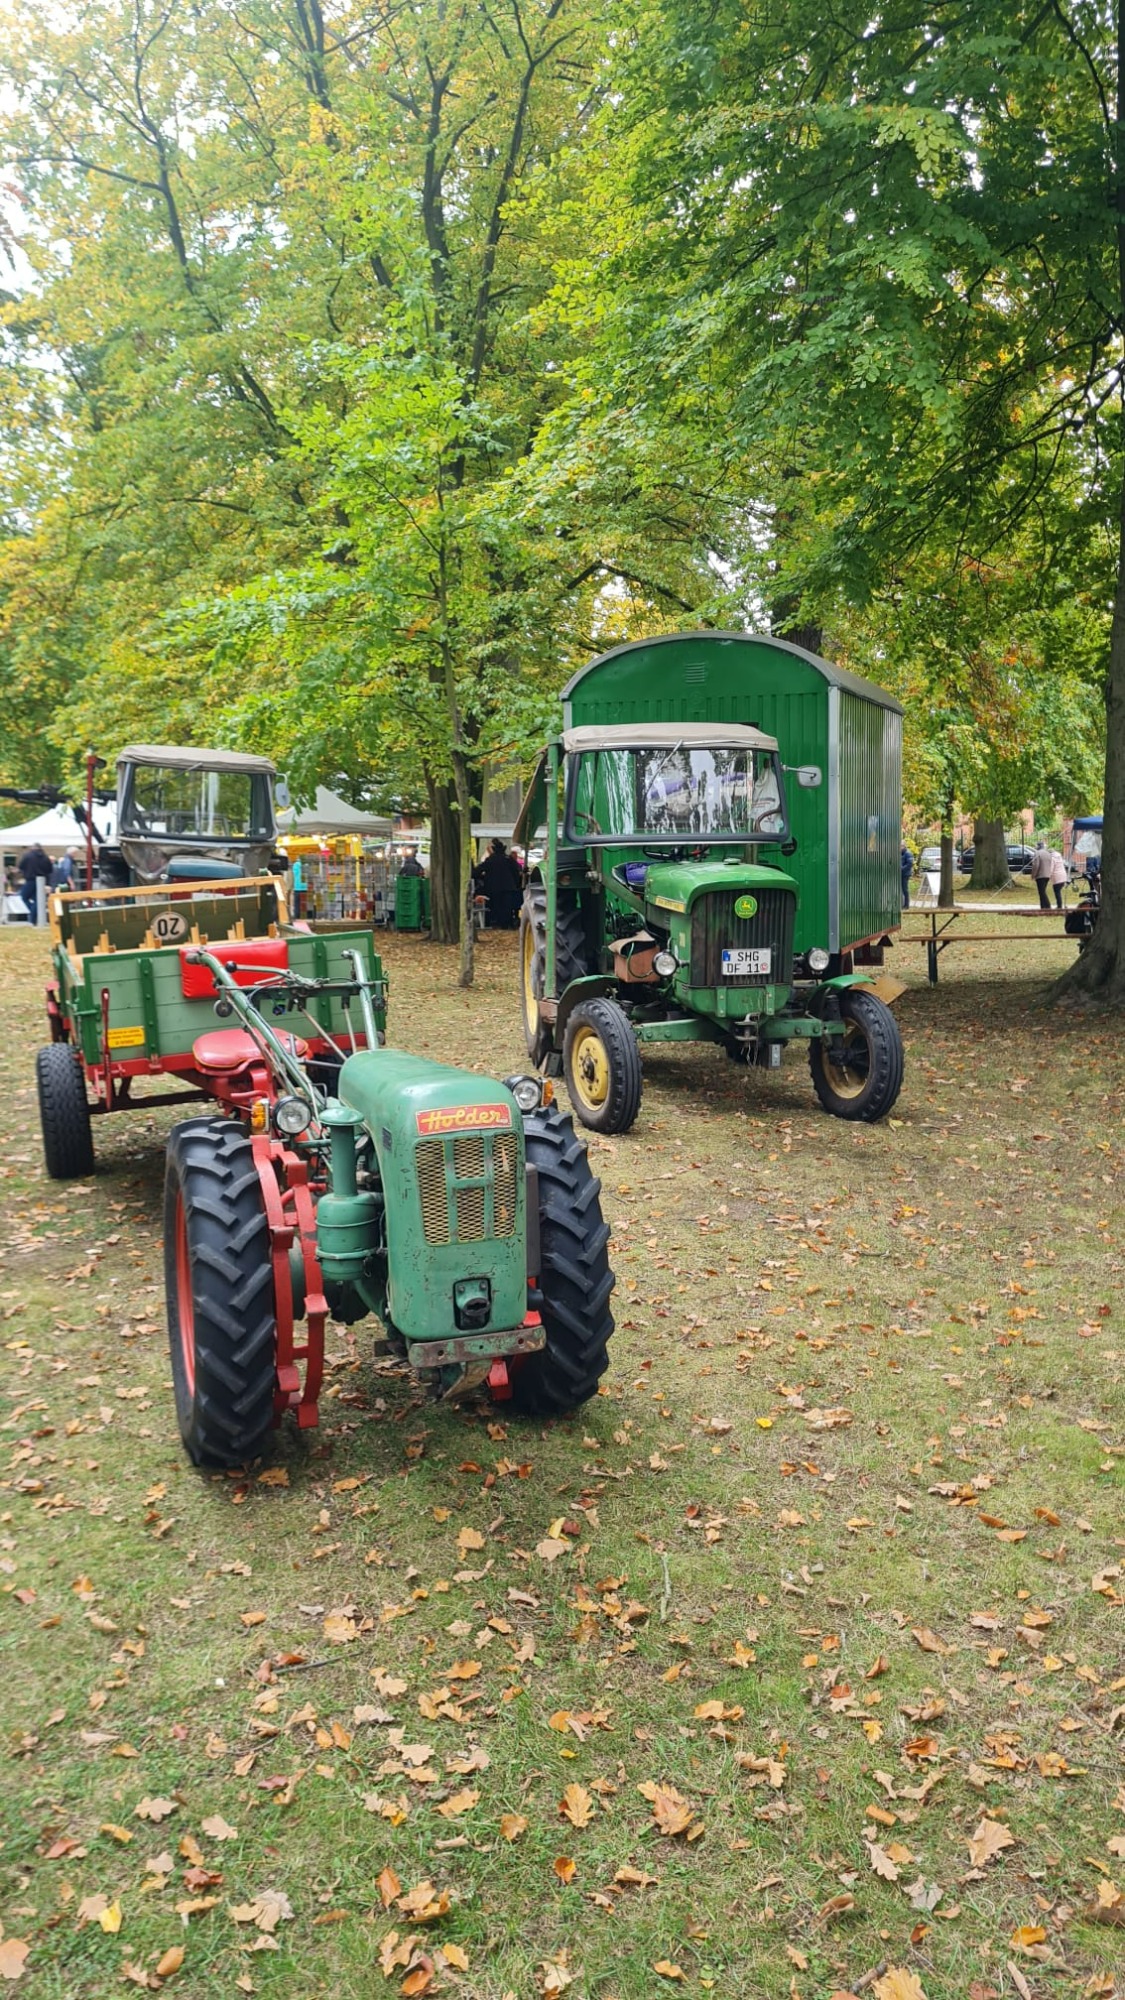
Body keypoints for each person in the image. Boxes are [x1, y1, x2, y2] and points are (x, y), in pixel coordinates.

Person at [474, 838, 522, 928]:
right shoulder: (509, 859)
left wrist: (483, 877)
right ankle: (506, 924)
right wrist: (515, 884)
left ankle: (497, 923)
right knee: (507, 908)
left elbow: (477, 872)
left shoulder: (491, 860)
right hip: (509, 888)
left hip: (494, 888)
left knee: (496, 906)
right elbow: (517, 871)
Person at [18, 841, 53, 924]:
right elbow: (50, 870)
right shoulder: (45, 857)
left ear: (32, 848)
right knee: (38, 899)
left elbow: (21, 866)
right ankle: (33, 917)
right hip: (42, 881)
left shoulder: (28, 856)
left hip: (30, 879)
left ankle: (32, 913)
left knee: (24, 896)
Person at [1029, 840, 1052, 911]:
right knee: (1042, 891)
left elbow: (1036, 865)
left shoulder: (1037, 853)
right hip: (1047, 875)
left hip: (1040, 875)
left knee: (1042, 892)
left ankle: (1048, 906)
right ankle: (1043, 907)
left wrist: (1033, 875)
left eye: (1036, 845)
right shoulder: (1048, 853)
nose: (1035, 847)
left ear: (1038, 846)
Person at [1048, 845, 1067, 910]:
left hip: (1057, 877)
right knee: (1058, 891)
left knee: (1057, 892)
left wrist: (1048, 876)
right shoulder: (1059, 857)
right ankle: (1059, 905)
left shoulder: (1052, 858)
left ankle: (1059, 906)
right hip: (1063, 876)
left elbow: (1051, 869)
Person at [900, 842, 914, 909]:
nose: (900, 848)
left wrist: (901, 869)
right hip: (901, 874)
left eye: (901, 846)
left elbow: (909, 864)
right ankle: (902, 904)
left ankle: (906, 905)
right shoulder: (901, 853)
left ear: (904, 846)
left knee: (905, 889)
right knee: (902, 889)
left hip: (905, 874)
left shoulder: (908, 853)